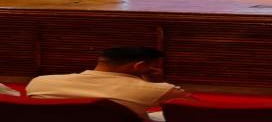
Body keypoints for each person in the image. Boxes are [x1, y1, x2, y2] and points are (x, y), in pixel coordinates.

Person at [26, 47, 190, 121]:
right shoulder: (156, 90)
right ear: (139, 66)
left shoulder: (40, 82)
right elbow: (189, 109)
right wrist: (157, 83)